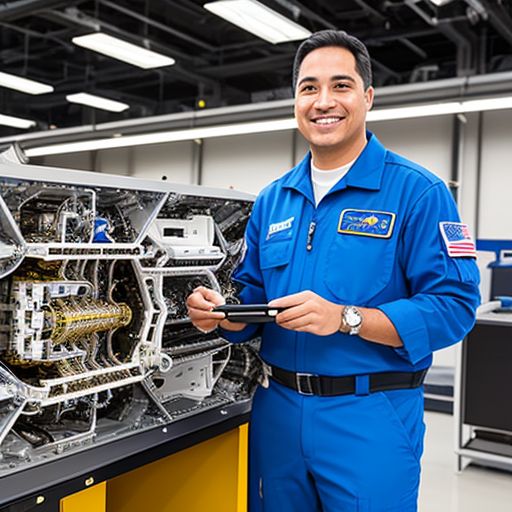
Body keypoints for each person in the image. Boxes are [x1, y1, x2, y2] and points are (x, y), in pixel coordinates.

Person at [186, 30, 480, 512]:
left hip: (370, 417)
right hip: (277, 412)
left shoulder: (419, 193)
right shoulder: (273, 199)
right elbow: (252, 293)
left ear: (367, 97)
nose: (324, 101)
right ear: (295, 100)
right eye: (309, 87)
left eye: (341, 86)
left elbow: (454, 307)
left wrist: (348, 318)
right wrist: (225, 315)